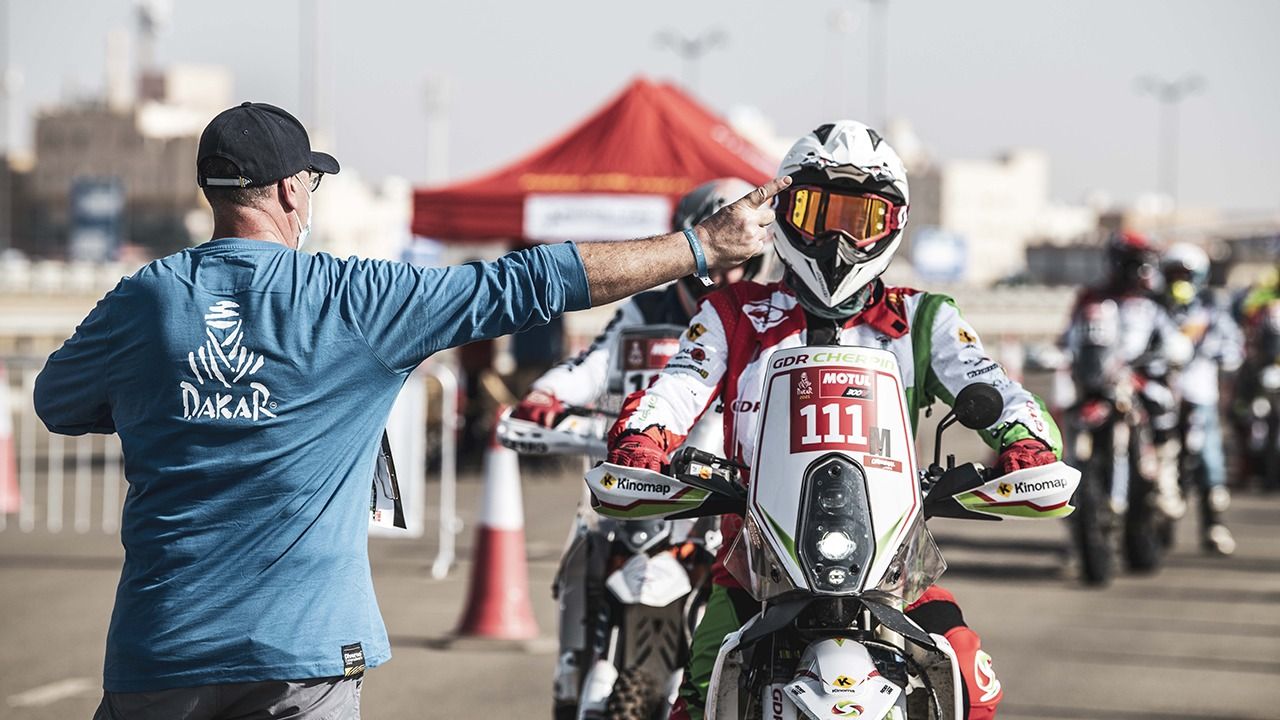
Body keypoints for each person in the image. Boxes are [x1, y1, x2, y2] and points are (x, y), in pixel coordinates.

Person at [32, 101, 788, 720]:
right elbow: (535, 282)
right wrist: (698, 246)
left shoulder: (147, 297)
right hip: (306, 660)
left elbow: (58, 401)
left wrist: (187, 405)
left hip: (162, 651)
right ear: (293, 191)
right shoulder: (356, 299)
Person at [605, 121, 1063, 720]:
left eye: (861, 219)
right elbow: (675, 387)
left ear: (891, 227)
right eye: (820, 212)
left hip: (895, 563)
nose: (839, 240)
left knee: (972, 687)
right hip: (757, 565)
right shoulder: (733, 313)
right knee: (698, 695)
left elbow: (1000, 392)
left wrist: (1025, 443)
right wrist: (642, 440)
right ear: (786, 215)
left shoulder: (923, 319)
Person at [510, 177, 765, 715]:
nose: (724, 272)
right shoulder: (643, 310)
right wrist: (546, 394)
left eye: (737, 255)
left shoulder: (759, 317)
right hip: (634, 478)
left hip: (714, 494)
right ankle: (571, 670)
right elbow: (592, 365)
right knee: (586, 548)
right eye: (716, 250)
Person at [1062, 231, 1193, 519]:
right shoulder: (1091, 299)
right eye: (1128, 262)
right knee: (1064, 416)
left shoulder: (1151, 303)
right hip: (1096, 381)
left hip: (1139, 378)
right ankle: (1069, 495)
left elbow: (1171, 337)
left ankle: (1165, 480)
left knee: (1162, 405)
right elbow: (1069, 337)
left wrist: (1173, 352)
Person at [1160, 242, 1243, 554]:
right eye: (1173, 274)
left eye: (1186, 274)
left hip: (1199, 394)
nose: (1179, 280)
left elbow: (1232, 347)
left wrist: (1218, 353)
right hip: (1162, 396)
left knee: (1208, 457)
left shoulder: (1211, 308)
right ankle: (1159, 523)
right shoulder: (1155, 307)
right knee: (1162, 458)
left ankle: (1213, 524)